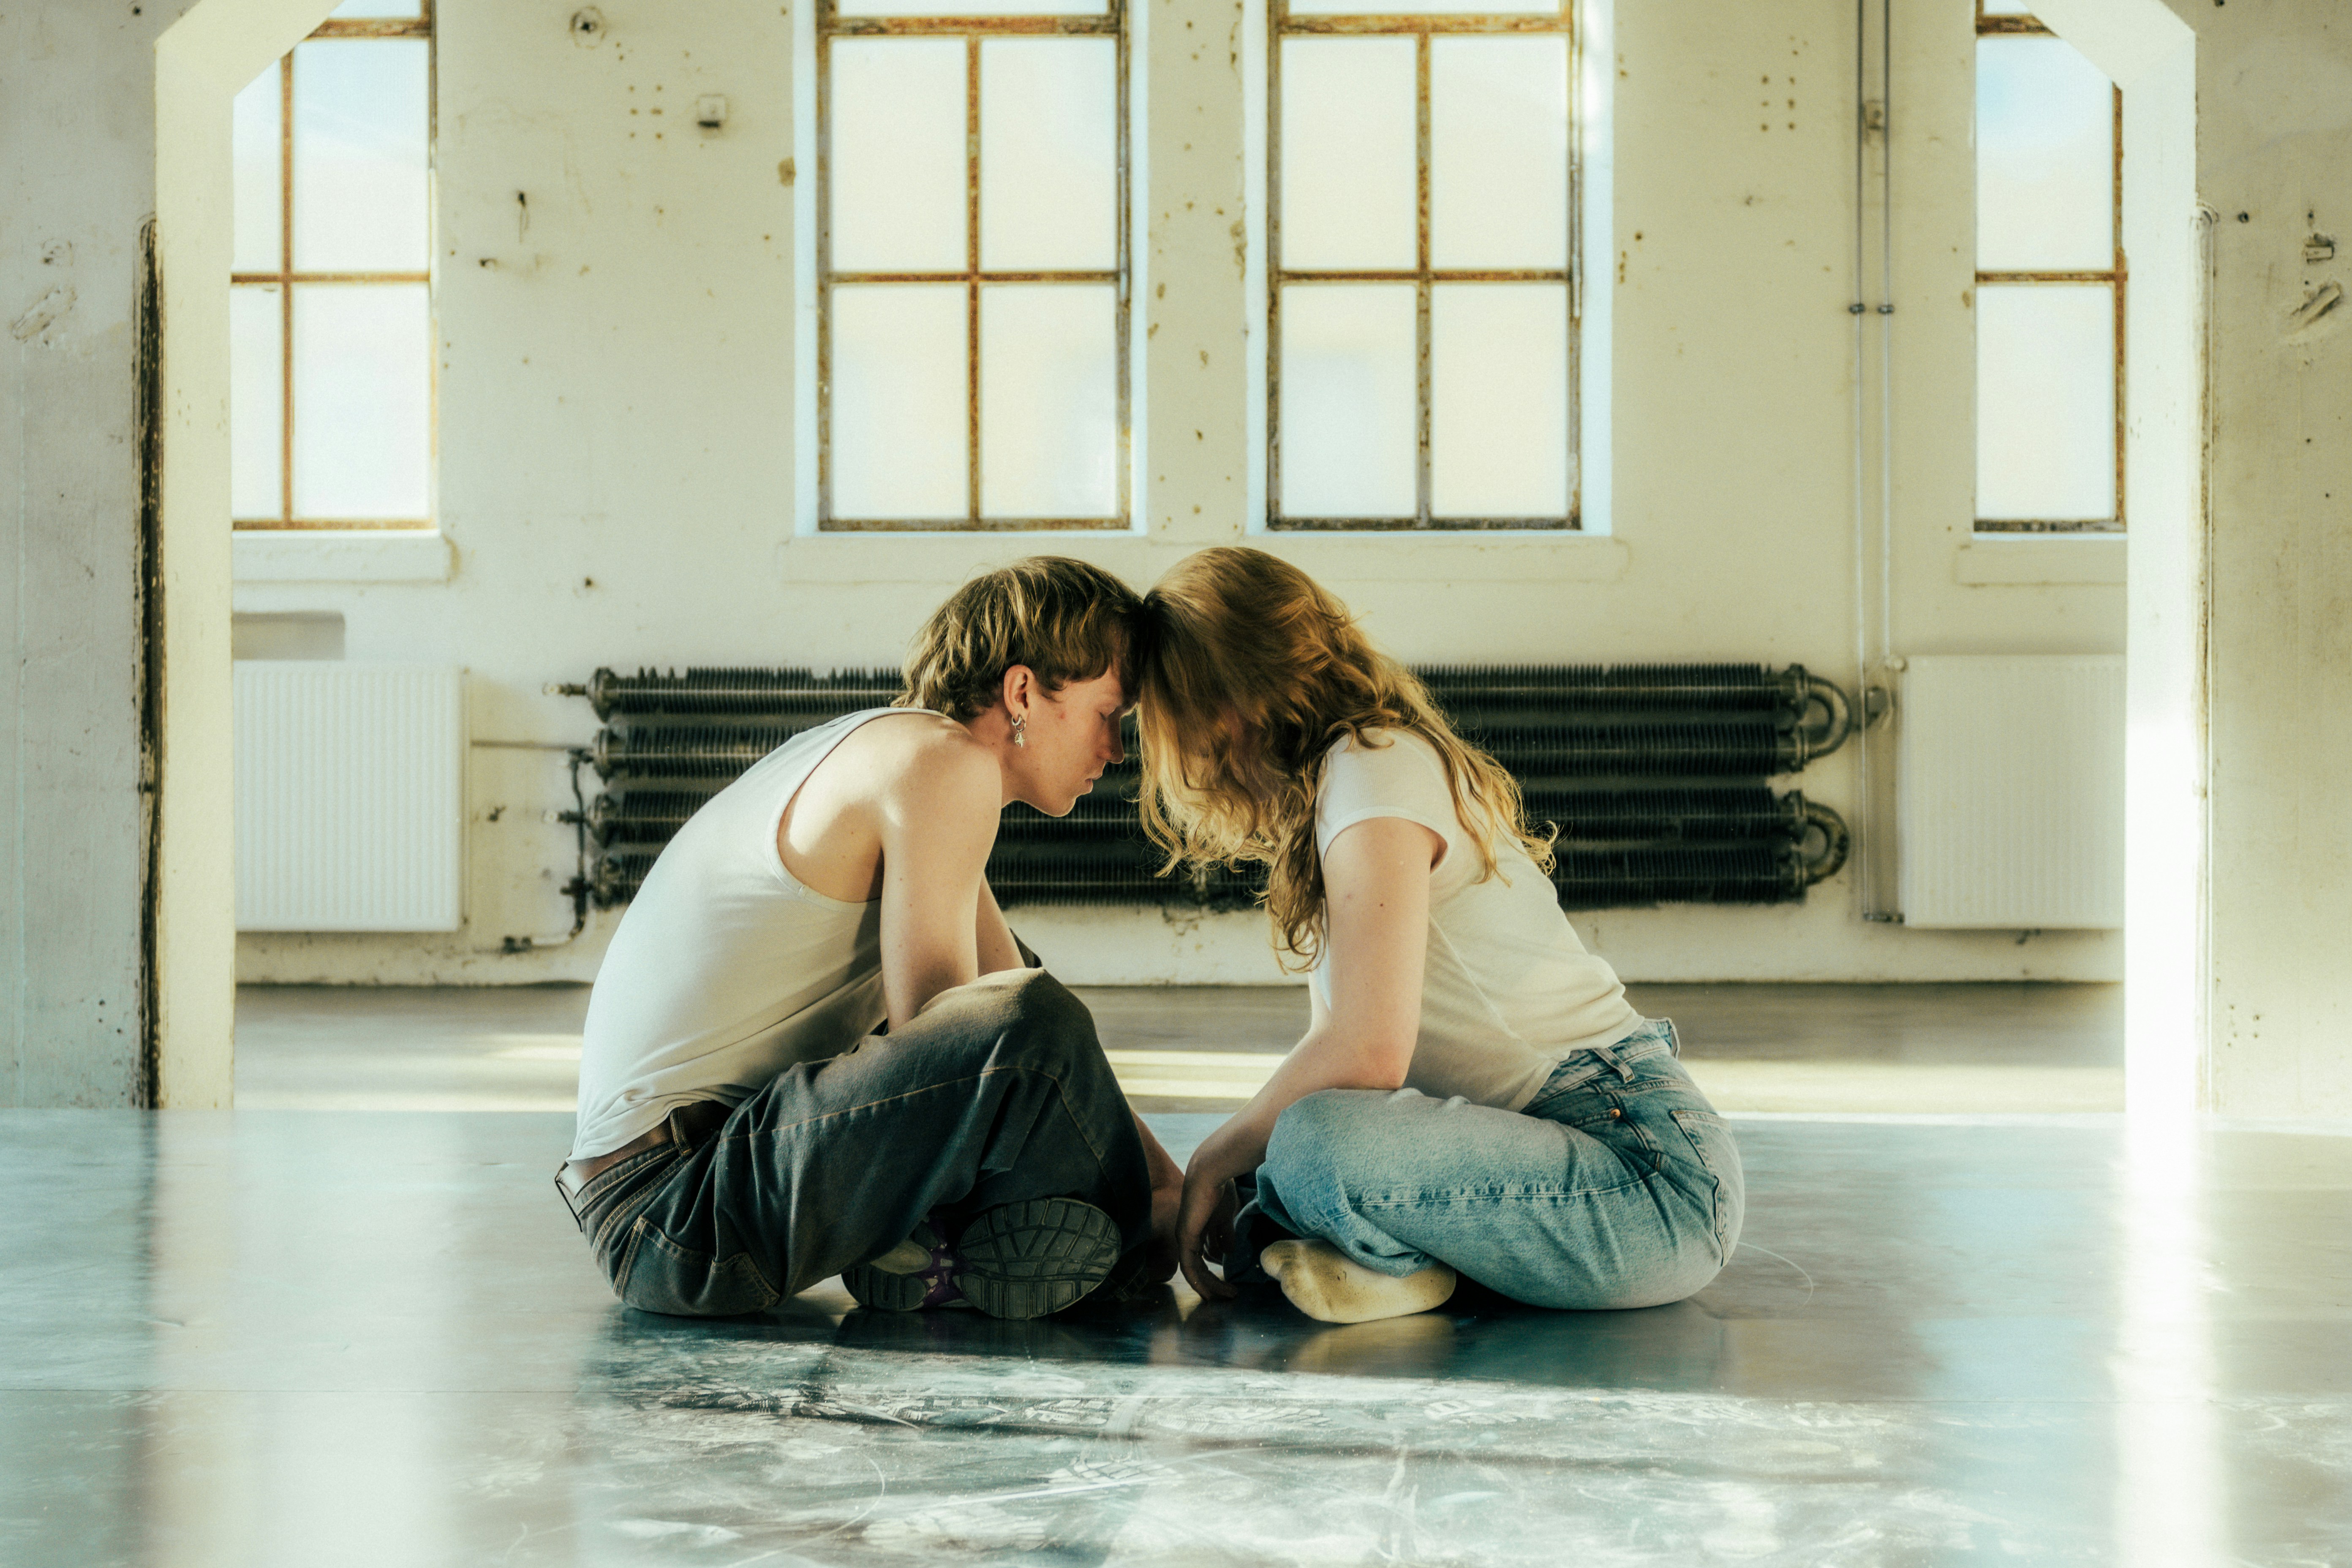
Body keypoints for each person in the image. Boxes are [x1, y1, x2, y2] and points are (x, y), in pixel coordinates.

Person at [558, 557, 1184, 1320]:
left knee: (1023, 994)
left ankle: (958, 1251)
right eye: (1109, 715)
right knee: (1025, 1020)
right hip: (681, 1211)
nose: (1118, 751)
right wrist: (1151, 1202)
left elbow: (1012, 1024)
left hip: (694, 1190)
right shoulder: (941, 761)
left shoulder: (906, 755)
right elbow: (958, 1038)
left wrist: (1170, 1181)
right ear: (1024, 692)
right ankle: (1088, 1242)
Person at [1133, 546, 1744, 1324]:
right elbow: (1343, 1052)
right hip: (1543, 1155)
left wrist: (1217, 1155)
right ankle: (1383, 1258)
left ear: (1228, 702)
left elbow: (1366, 1052)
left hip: (1649, 1178)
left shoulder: (1371, 769)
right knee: (1286, 1157)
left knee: (1305, 1148)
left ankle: (1392, 1259)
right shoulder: (1341, 782)